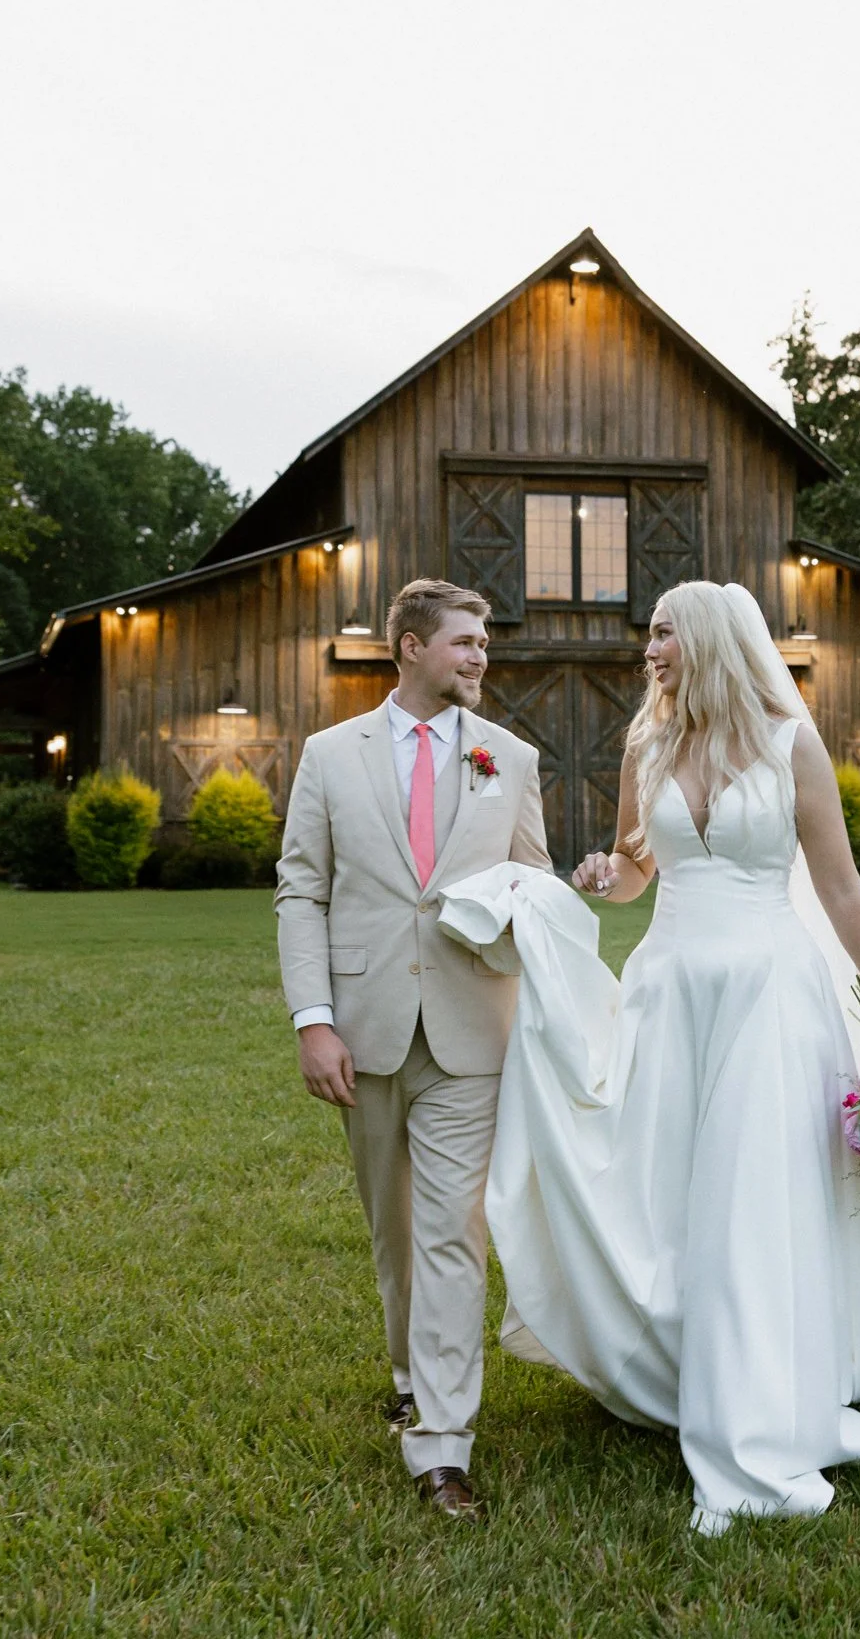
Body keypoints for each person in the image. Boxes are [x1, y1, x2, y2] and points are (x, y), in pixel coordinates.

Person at [452, 579, 860, 1536]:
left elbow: (842, 890)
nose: (646, 649)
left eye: (660, 634)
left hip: (770, 994)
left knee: (751, 1194)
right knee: (673, 1187)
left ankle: (758, 1406)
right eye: (648, 634)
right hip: (672, 989)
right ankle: (685, 1361)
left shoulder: (788, 744)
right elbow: (634, 871)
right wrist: (603, 877)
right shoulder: (645, 745)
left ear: (707, 640)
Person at [274, 578, 551, 1520]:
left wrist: (522, 911)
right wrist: (314, 1019)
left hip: (475, 1030)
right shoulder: (328, 755)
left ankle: (440, 1444)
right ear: (407, 646)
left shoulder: (509, 758)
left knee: (450, 1233)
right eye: (465, 642)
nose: (480, 656)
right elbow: (300, 891)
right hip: (364, 1025)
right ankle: (407, 1374)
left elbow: (534, 883)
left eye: (483, 643)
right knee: (393, 1232)